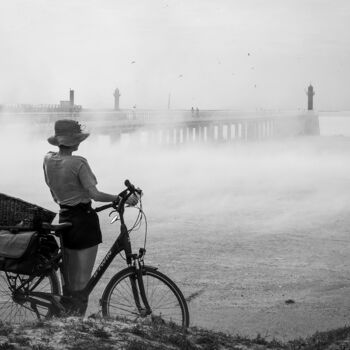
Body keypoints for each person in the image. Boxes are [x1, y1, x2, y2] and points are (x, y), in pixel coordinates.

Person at [43, 119, 138, 316]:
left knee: (70, 282)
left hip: (65, 219)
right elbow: (94, 195)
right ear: (74, 141)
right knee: (82, 283)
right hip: (84, 223)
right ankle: (77, 321)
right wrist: (121, 199)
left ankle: (67, 318)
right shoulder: (78, 163)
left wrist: (67, 198)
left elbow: (53, 193)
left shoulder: (48, 160)